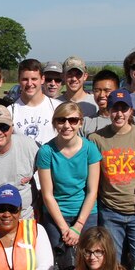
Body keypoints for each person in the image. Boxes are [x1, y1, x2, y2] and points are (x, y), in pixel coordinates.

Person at [90, 89, 135, 269]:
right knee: (112, 265)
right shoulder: (96, 139)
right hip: (111, 212)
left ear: (131, 111)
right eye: (114, 109)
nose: (119, 114)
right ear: (108, 110)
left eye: (124, 109)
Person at [36, 102, 101, 249]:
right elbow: (47, 195)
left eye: (72, 120)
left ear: (80, 123)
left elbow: (92, 191)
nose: (67, 125)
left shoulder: (90, 149)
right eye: (61, 120)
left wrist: (78, 226)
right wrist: (64, 228)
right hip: (56, 214)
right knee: (59, 266)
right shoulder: (46, 151)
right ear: (55, 123)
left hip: (85, 214)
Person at [11, 58, 60, 146]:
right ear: (19, 80)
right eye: (25, 79)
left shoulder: (57, 107)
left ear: (42, 79)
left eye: (34, 79)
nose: (29, 84)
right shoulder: (11, 111)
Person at [82, 69, 121, 136]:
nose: (102, 95)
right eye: (97, 90)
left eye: (107, 90)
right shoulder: (86, 123)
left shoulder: (129, 120)